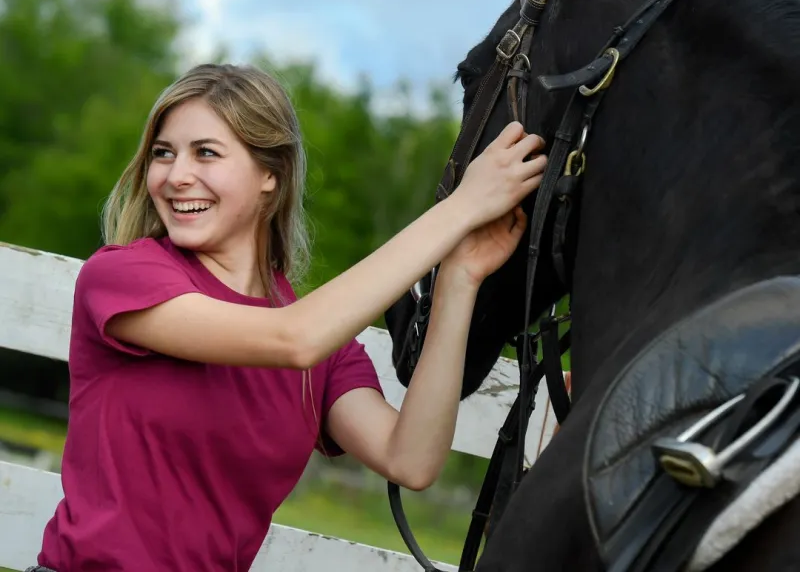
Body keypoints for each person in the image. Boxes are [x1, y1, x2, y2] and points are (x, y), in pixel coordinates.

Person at [28, 62, 547, 572]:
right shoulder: (123, 277)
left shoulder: (325, 348)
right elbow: (292, 339)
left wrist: (460, 278)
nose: (176, 176)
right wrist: (459, 209)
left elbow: (410, 458)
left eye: (205, 153)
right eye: (163, 154)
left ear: (269, 177)